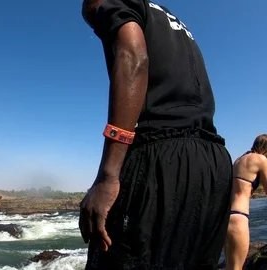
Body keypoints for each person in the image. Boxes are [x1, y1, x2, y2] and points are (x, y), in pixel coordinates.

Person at [78, 0, 233, 269]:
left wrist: (108, 176)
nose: (97, 26)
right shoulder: (172, 22)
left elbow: (134, 59)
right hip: (213, 164)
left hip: (160, 158)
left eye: (92, 18)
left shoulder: (115, 4)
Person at [224, 134, 267, 270]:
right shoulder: (260, 159)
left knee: (230, 266)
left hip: (225, 216)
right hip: (239, 217)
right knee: (237, 267)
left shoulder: (239, 160)